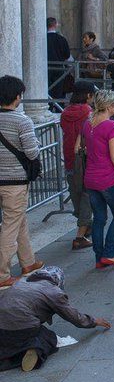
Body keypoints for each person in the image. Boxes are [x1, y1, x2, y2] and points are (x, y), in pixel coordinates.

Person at [0, 267, 110, 372]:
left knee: (7, 340)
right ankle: (34, 350)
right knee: (48, 336)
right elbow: (73, 316)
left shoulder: (21, 282)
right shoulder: (54, 292)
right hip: (24, 326)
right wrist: (93, 321)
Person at [78, 89, 114, 269]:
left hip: (91, 177)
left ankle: (98, 257)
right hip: (107, 178)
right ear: (110, 106)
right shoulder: (111, 126)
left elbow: (83, 147)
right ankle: (109, 253)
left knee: (99, 218)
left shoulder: (88, 123)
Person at [0, 76, 43, 287]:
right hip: (14, 180)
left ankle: (28, 262)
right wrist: (35, 141)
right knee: (10, 225)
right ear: (17, 96)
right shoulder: (21, 121)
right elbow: (32, 152)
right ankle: (2, 274)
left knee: (19, 219)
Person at [60, 80, 97, 250]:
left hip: (69, 157)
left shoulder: (65, 112)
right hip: (85, 158)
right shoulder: (89, 113)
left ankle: (84, 223)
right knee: (86, 195)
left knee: (75, 192)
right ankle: (80, 235)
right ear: (89, 95)